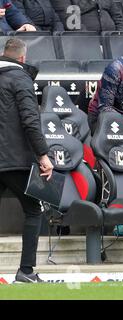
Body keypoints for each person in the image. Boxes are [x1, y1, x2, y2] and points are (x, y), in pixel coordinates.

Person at [0, 38, 53, 283]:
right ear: (22, 58)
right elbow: (31, 122)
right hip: (15, 160)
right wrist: (43, 155)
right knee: (33, 210)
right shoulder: (21, 80)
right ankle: (26, 271)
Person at [51, 0, 123, 31]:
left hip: (112, 40)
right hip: (86, 42)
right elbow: (71, 23)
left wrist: (119, 37)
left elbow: (118, 18)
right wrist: (91, 41)